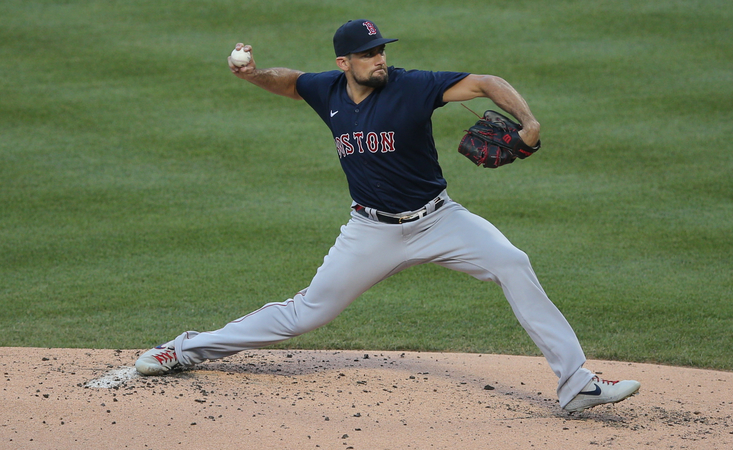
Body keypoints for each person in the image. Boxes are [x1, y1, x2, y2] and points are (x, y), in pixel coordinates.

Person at [135, 19, 640, 413]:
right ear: (343, 62)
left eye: (381, 50)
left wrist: (528, 121)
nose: (379, 59)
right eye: (367, 54)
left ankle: (576, 384)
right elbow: (289, 82)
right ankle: (184, 350)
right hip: (370, 231)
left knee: (513, 262)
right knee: (308, 313)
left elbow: (487, 82)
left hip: (441, 221)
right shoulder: (326, 91)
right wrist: (252, 75)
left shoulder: (412, 86)